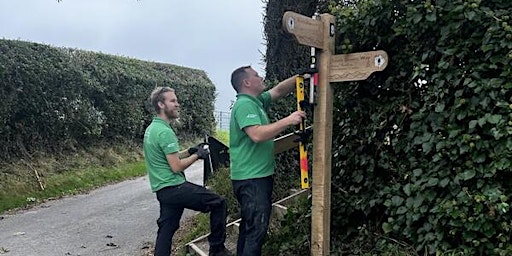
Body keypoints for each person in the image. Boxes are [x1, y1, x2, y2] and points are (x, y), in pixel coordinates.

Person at [143, 86, 232, 256]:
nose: (177, 104)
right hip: (175, 187)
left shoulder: (152, 129)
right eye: (173, 101)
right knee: (218, 203)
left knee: (166, 230)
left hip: (163, 190)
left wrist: (190, 151)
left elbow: (170, 157)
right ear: (161, 104)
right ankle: (217, 250)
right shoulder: (164, 132)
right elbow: (176, 166)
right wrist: (198, 156)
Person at [229, 66, 306, 255]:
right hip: (252, 179)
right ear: (247, 82)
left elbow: (279, 90)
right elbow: (256, 134)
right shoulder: (245, 105)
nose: (261, 77)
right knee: (256, 231)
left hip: (254, 178)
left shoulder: (256, 101)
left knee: (249, 229)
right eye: (256, 75)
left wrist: (300, 76)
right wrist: (289, 120)